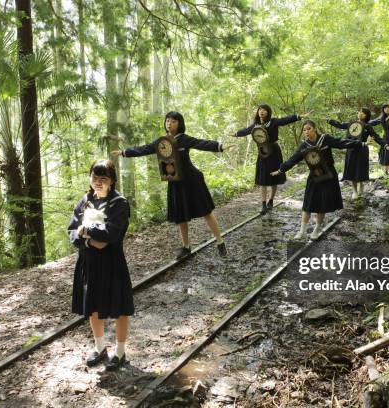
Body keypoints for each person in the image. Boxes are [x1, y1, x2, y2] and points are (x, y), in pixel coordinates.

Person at [112, 111, 232, 260]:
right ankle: (186, 247)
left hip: (193, 180)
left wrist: (220, 146)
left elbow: (201, 143)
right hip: (175, 182)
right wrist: (125, 152)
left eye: (173, 121)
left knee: (206, 212)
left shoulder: (184, 139)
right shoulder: (161, 141)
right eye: (167, 120)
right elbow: (144, 148)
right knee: (181, 216)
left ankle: (220, 242)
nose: (169, 123)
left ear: (179, 124)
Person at [68, 159, 133, 371]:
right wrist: (88, 240)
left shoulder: (119, 203)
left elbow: (112, 235)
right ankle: (99, 347)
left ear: (111, 181)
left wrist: (86, 232)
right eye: (95, 177)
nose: (98, 182)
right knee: (93, 305)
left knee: (120, 307)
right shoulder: (85, 201)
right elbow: (71, 230)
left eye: (103, 179)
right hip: (88, 262)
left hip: (112, 262)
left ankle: (120, 352)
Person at [271, 120, 364, 240]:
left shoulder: (325, 139)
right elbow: (293, 159)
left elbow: (342, 142)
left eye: (309, 128)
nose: (306, 132)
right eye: (304, 130)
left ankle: (316, 229)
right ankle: (302, 231)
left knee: (322, 204)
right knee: (308, 203)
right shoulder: (304, 146)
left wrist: (359, 144)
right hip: (314, 176)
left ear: (315, 128)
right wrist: (281, 170)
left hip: (328, 175)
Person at [233, 104, 311, 214]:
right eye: (260, 109)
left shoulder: (273, 122)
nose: (261, 111)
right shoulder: (256, 125)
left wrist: (299, 116)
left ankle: (271, 200)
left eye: (264, 110)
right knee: (263, 180)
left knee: (274, 178)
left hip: (274, 152)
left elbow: (285, 120)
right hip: (262, 153)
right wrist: (236, 134)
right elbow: (246, 131)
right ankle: (263, 204)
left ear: (268, 112)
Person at [328, 107, 389, 198]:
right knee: (351, 170)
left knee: (360, 169)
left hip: (362, 150)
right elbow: (340, 125)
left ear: (367, 116)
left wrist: (385, 145)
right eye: (359, 112)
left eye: (363, 113)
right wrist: (329, 120)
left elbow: (376, 137)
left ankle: (361, 183)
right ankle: (354, 191)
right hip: (351, 149)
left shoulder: (367, 126)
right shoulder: (351, 124)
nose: (360, 113)